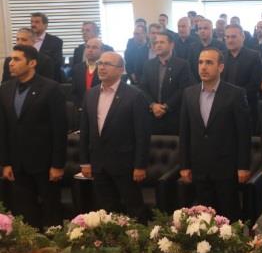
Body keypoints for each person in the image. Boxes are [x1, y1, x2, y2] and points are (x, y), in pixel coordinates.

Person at [179, 47, 252, 220]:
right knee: (205, 218)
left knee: (229, 215)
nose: (203, 67)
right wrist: (184, 165)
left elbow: (244, 134)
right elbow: (184, 132)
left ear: (220, 67)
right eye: (200, 62)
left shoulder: (236, 94)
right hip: (199, 166)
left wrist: (243, 166)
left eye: (209, 63)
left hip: (226, 167)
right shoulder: (189, 93)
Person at [0, 45, 67, 229]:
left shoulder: (51, 88)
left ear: (32, 63)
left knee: (51, 209)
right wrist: (5, 163)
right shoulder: (5, 89)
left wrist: (57, 165)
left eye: (17, 59)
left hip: (45, 163)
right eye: (10, 59)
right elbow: (3, 129)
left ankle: (54, 243)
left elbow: (59, 129)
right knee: (24, 210)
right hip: (18, 163)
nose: (11, 63)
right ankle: (30, 243)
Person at [80, 52, 151, 220]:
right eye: (100, 63)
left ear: (121, 69)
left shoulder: (135, 95)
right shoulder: (91, 94)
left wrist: (140, 165)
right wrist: (85, 161)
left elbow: (142, 134)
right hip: (98, 164)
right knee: (107, 211)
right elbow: (85, 130)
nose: (102, 67)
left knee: (134, 209)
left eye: (107, 64)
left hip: (125, 164)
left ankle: (139, 237)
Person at [140, 32, 193, 135]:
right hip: (152, 115)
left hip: (173, 116)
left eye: (162, 42)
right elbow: (143, 88)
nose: (158, 45)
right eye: (156, 43)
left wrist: (166, 107)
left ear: (171, 45)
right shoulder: (148, 65)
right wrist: (153, 105)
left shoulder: (182, 64)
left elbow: (183, 89)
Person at [222, 24, 262, 131]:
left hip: (246, 106)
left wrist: (234, 98)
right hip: (223, 107)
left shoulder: (254, 56)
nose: (230, 40)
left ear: (243, 37)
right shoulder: (221, 57)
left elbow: (255, 84)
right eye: (227, 37)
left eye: (233, 36)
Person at [71, 38, 105, 110]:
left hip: (101, 108)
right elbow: (74, 92)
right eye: (88, 47)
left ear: (102, 51)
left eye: (94, 47)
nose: (90, 50)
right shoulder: (77, 68)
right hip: (81, 109)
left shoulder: (105, 68)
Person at [30, 12, 64, 82]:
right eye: (32, 22)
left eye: (37, 22)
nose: (33, 25)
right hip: (28, 79)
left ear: (45, 25)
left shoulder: (55, 41)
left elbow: (56, 64)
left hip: (47, 80)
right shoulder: (26, 40)